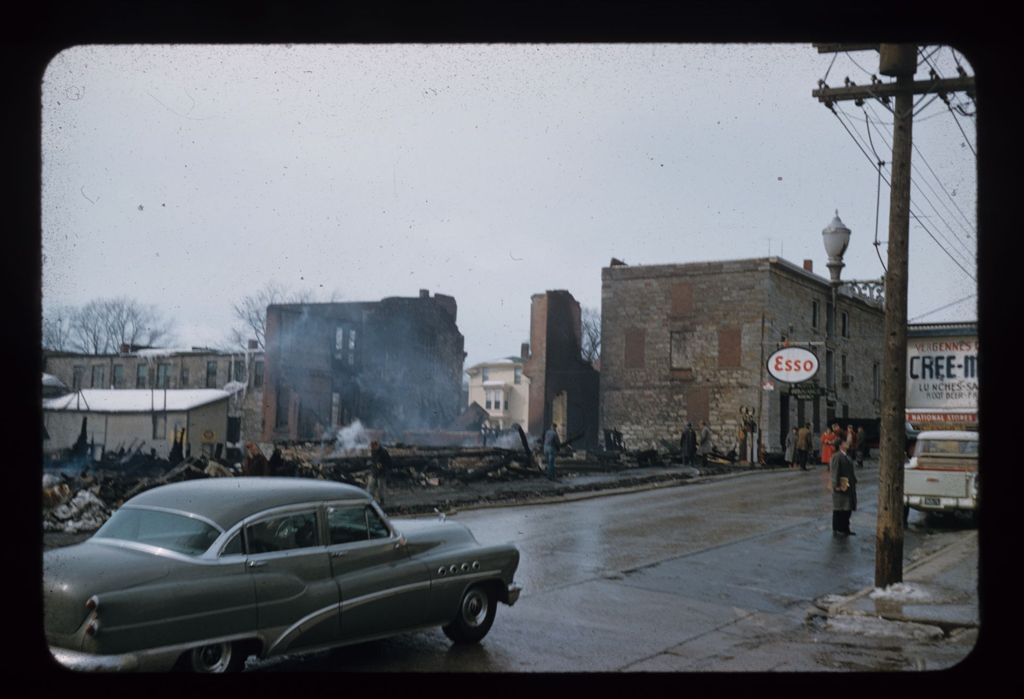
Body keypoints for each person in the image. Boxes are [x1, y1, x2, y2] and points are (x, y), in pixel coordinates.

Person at [830, 438, 858, 536]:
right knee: (839, 509)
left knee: (847, 508)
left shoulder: (847, 456)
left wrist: (854, 480)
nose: (847, 444)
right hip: (841, 486)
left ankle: (845, 528)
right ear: (840, 445)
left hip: (848, 486)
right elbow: (835, 471)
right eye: (845, 442)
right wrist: (835, 485)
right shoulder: (837, 457)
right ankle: (838, 528)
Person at [367, 440, 392, 505]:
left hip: (381, 473)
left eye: (373, 447)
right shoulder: (373, 451)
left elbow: (389, 462)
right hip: (374, 472)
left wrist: (382, 465)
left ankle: (382, 501)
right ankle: (370, 500)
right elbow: (373, 460)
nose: (372, 448)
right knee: (370, 487)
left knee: (381, 488)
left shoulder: (383, 452)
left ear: (377, 445)